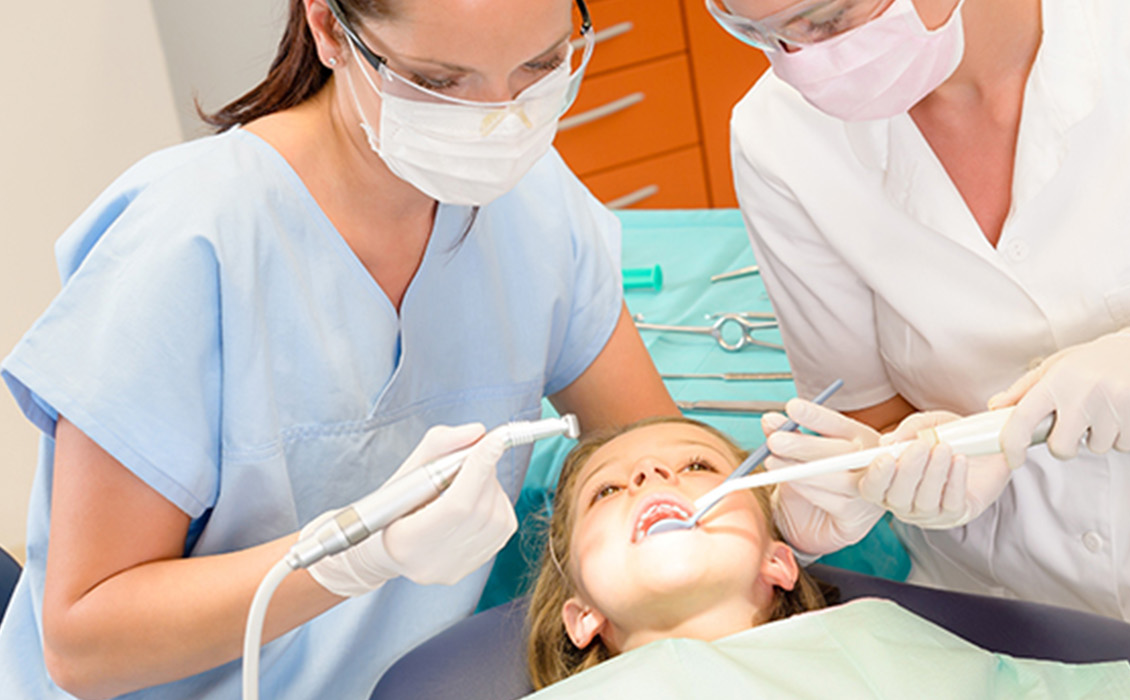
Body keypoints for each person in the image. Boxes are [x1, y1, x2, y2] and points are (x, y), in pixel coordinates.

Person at [0, 0, 675, 697]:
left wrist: (777, 503)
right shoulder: (188, 243)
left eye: (539, 67)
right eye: (441, 83)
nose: (499, 118)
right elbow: (85, 643)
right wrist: (351, 557)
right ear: (328, 29)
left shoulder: (535, 204)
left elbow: (656, 449)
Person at [703, 0, 1130, 697]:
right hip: (989, 616)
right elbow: (865, 418)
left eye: (829, 20)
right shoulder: (777, 135)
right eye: (758, 33)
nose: (804, 62)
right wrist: (904, 466)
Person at [524, 417, 1130, 698]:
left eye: (697, 466)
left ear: (778, 561)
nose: (653, 474)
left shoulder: (875, 641)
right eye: (607, 490)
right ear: (580, 616)